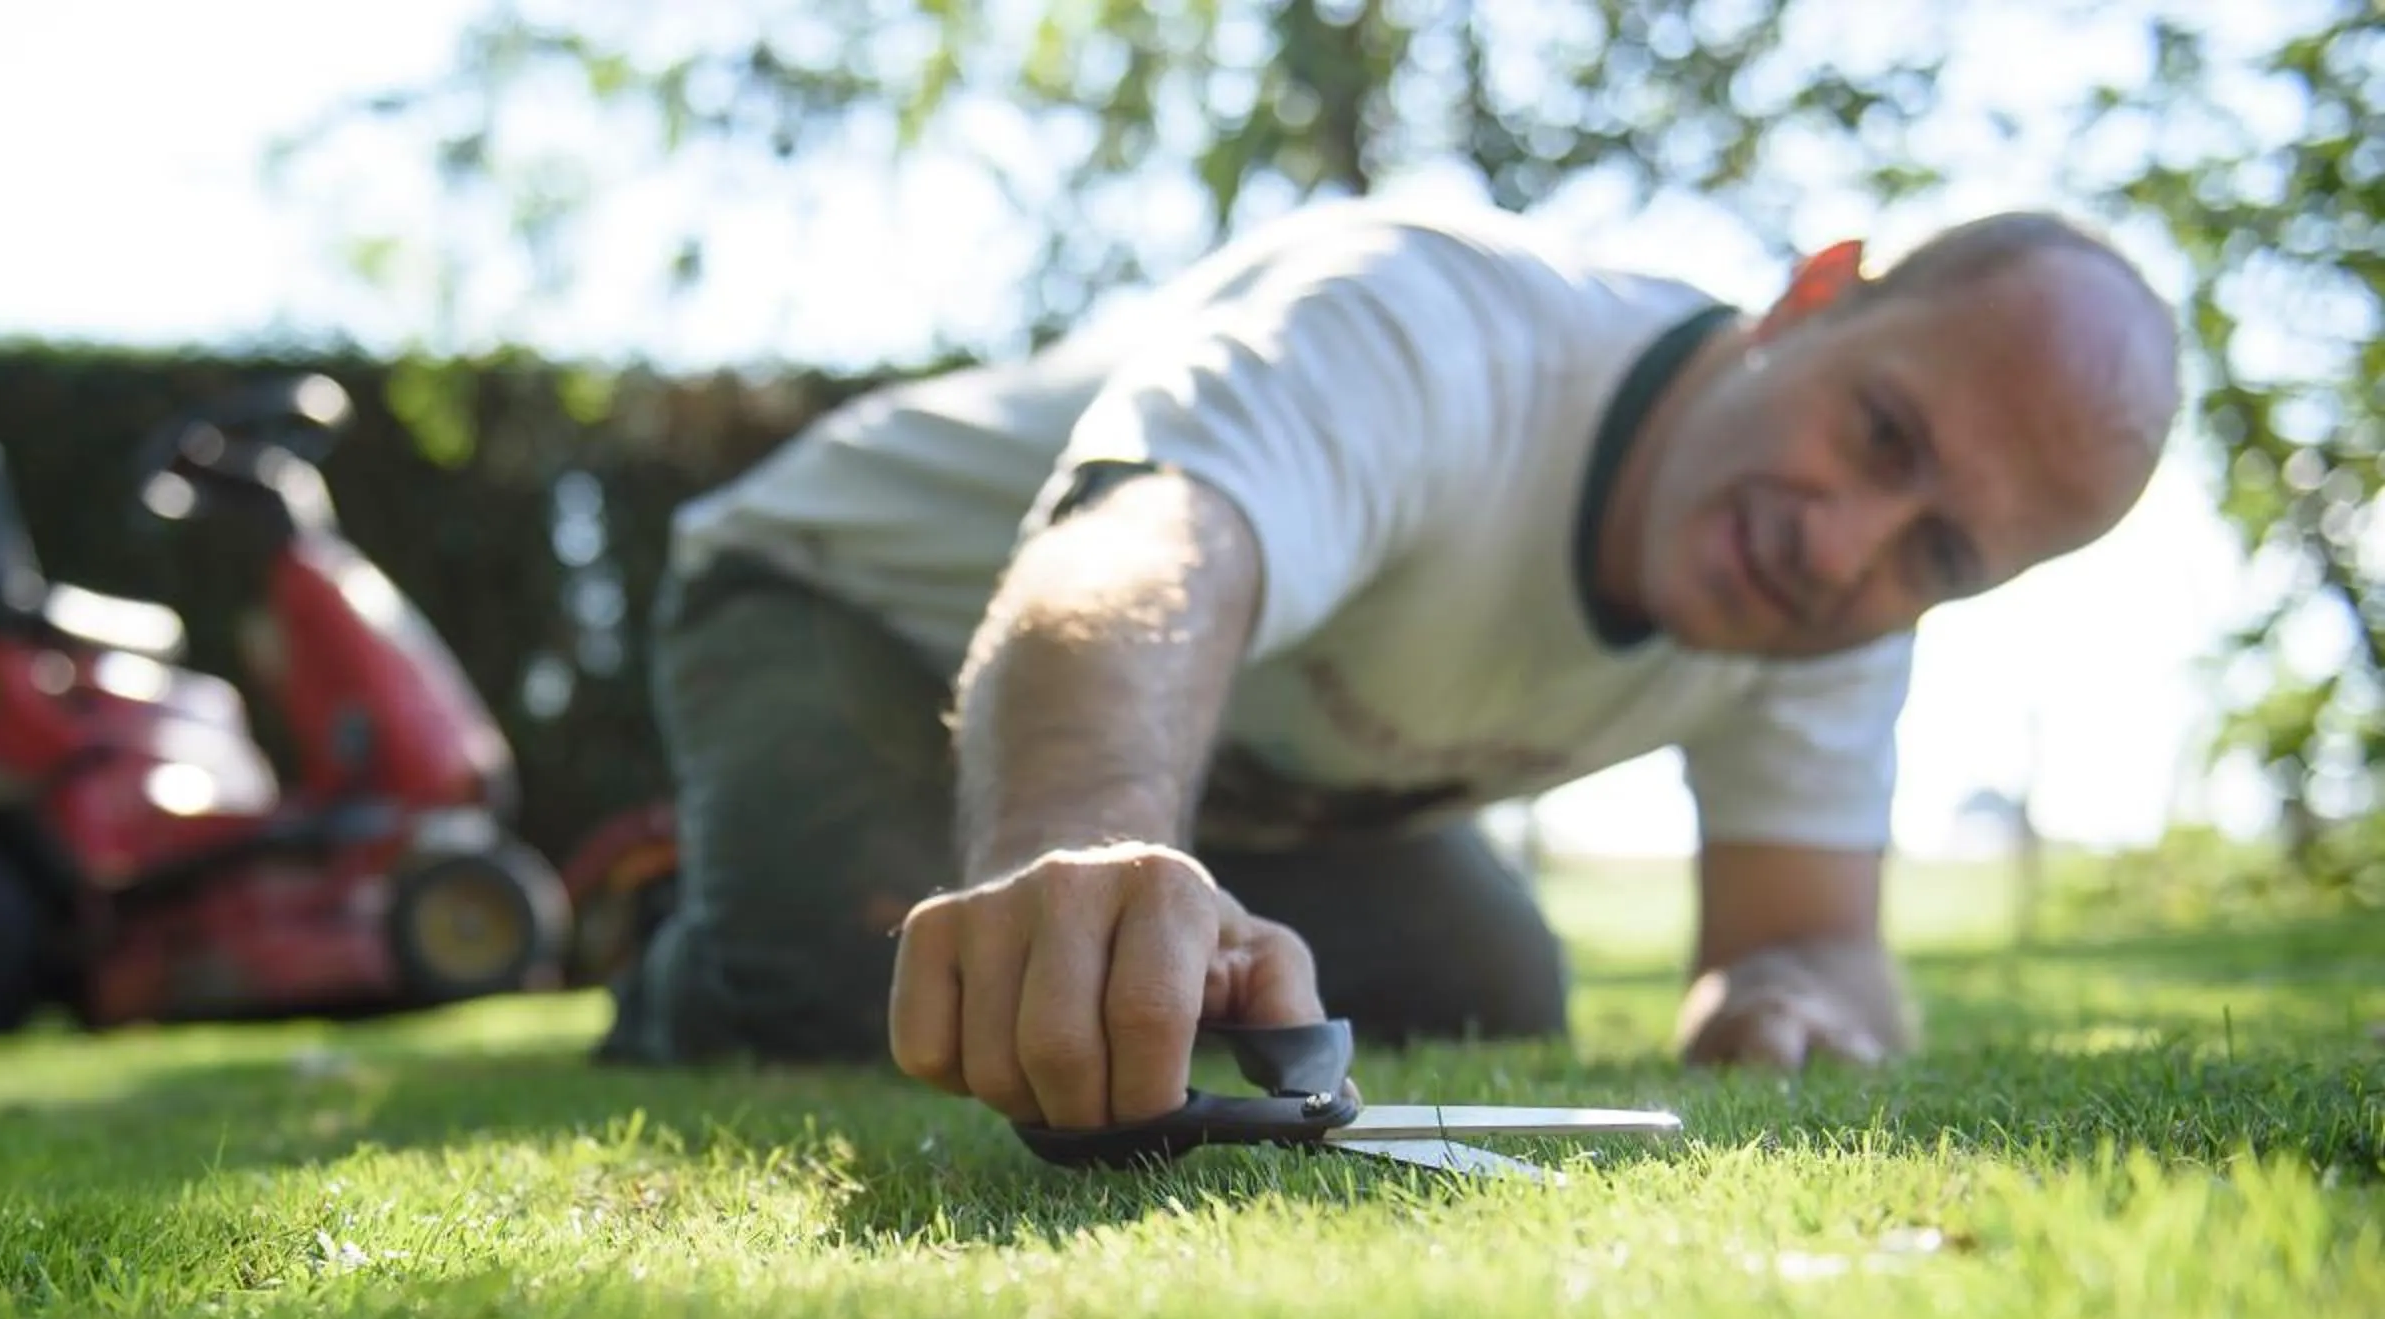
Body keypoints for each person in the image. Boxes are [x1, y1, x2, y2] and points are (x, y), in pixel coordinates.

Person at [597, 200, 2181, 1133]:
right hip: (838, 601)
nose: (1848, 550)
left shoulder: (1840, 620)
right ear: (1813, 296)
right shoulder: (1440, 328)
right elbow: (1144, 554)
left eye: (1944, 555)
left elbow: (1818, 944)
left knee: (1488, 987)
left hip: (1234, 760)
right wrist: (1074, 847)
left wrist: (1796, 999)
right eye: (1882, 434)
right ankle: (706, 945)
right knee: (885, 986)